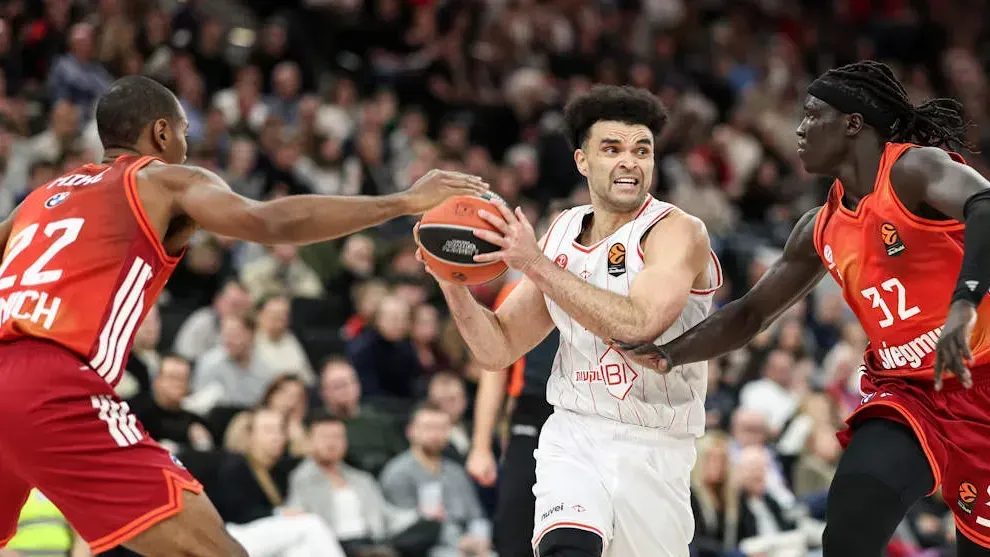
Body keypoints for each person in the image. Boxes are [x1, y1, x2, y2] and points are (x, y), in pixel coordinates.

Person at [0, 75, 487, 557]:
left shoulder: (40, 200)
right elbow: (271, 220)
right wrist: (401, 202)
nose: (188, 146)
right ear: (161, 133)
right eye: (185, 132)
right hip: (53, 382)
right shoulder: (164, 179)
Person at [613, 60, 990, 556]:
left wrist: (964, 304)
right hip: (912, 395)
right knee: (849, 526)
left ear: (853, 123)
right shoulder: (820, 227)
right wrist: (668, 354)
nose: (799, 128)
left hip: (981, 380)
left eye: (813, 115)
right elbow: (750, 313)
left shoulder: (912, 170)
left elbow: (985, 205)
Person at [416, 84, 722, 557]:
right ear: (582, 161)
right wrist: (451, 280)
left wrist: (535, 263)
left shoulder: (677, 231)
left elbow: (639, 324)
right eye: (612, 148)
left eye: (643, 150)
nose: (630, 162)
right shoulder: (561, 229)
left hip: (656, 444)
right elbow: (497, 348)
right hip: (573, 432)